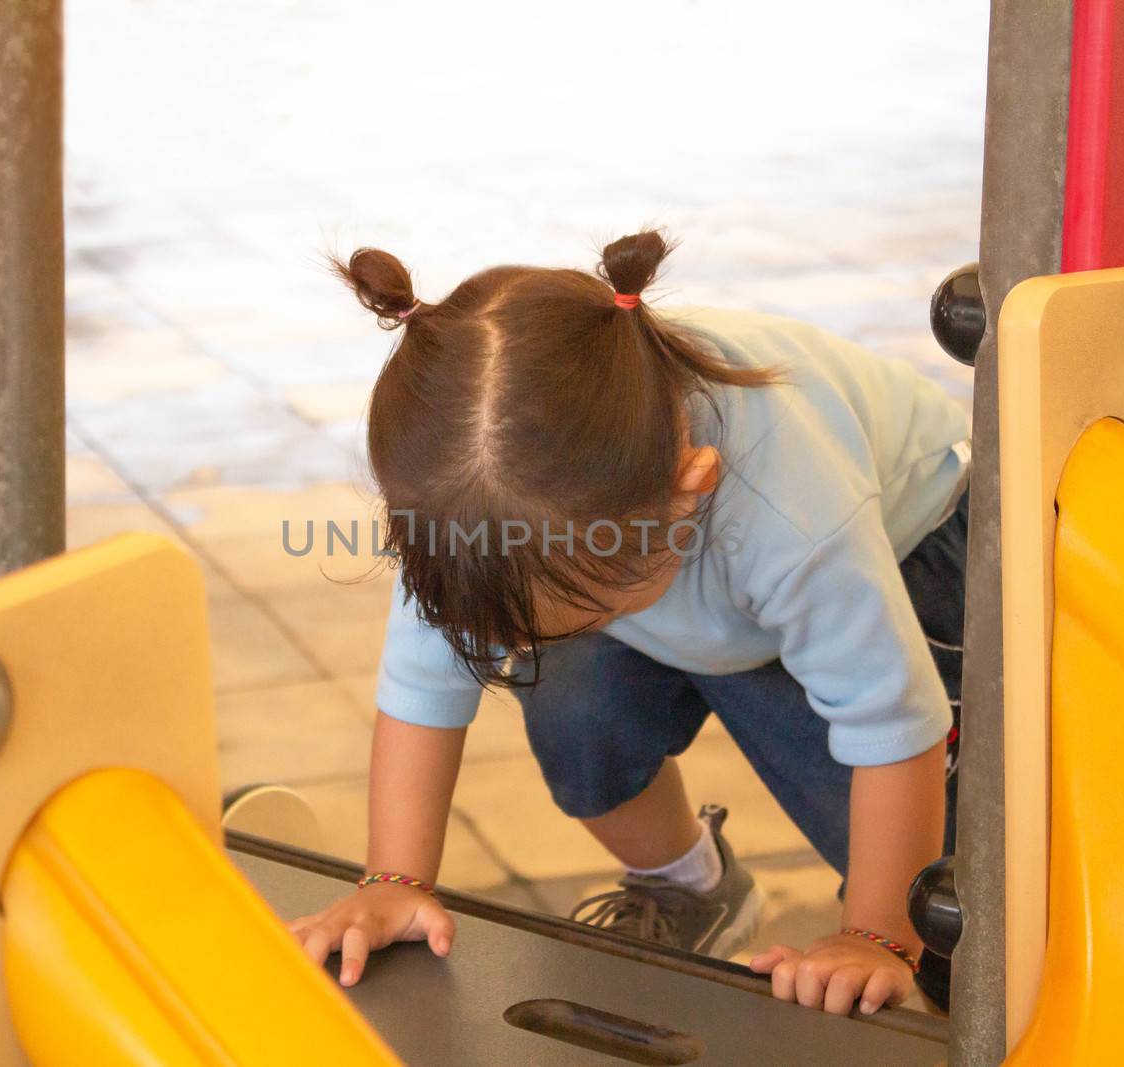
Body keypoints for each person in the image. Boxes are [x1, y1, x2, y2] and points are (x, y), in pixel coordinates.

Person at [289, 230, 968, 1016]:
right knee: (573, 707)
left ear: (689, 491)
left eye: (579, 609)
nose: (510, 646)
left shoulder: (796, 510)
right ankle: (692, 885)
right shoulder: (472, 512)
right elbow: (419, 690)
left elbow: (893, 723)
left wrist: (878, 937)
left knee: (941, 897)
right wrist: (393, 880)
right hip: (671, 574)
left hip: (911, 551)